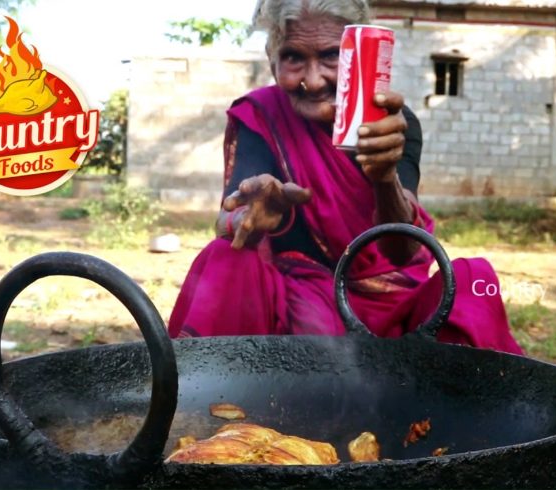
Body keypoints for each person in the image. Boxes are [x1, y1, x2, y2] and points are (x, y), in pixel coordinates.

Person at [167, 0, 523, 355]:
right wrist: (249, 217)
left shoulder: (391, 123)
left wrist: (384, 178)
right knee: (228, 256)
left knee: (475, 282)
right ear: (272, 59)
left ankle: (456, 403)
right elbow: (228, 219)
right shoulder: (262, 116)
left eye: (331, 56)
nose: (312, 79)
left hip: (394, 313)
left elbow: (402, 249)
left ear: (357, 56)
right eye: (293, 58)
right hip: (294, 322)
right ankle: (219, 395)